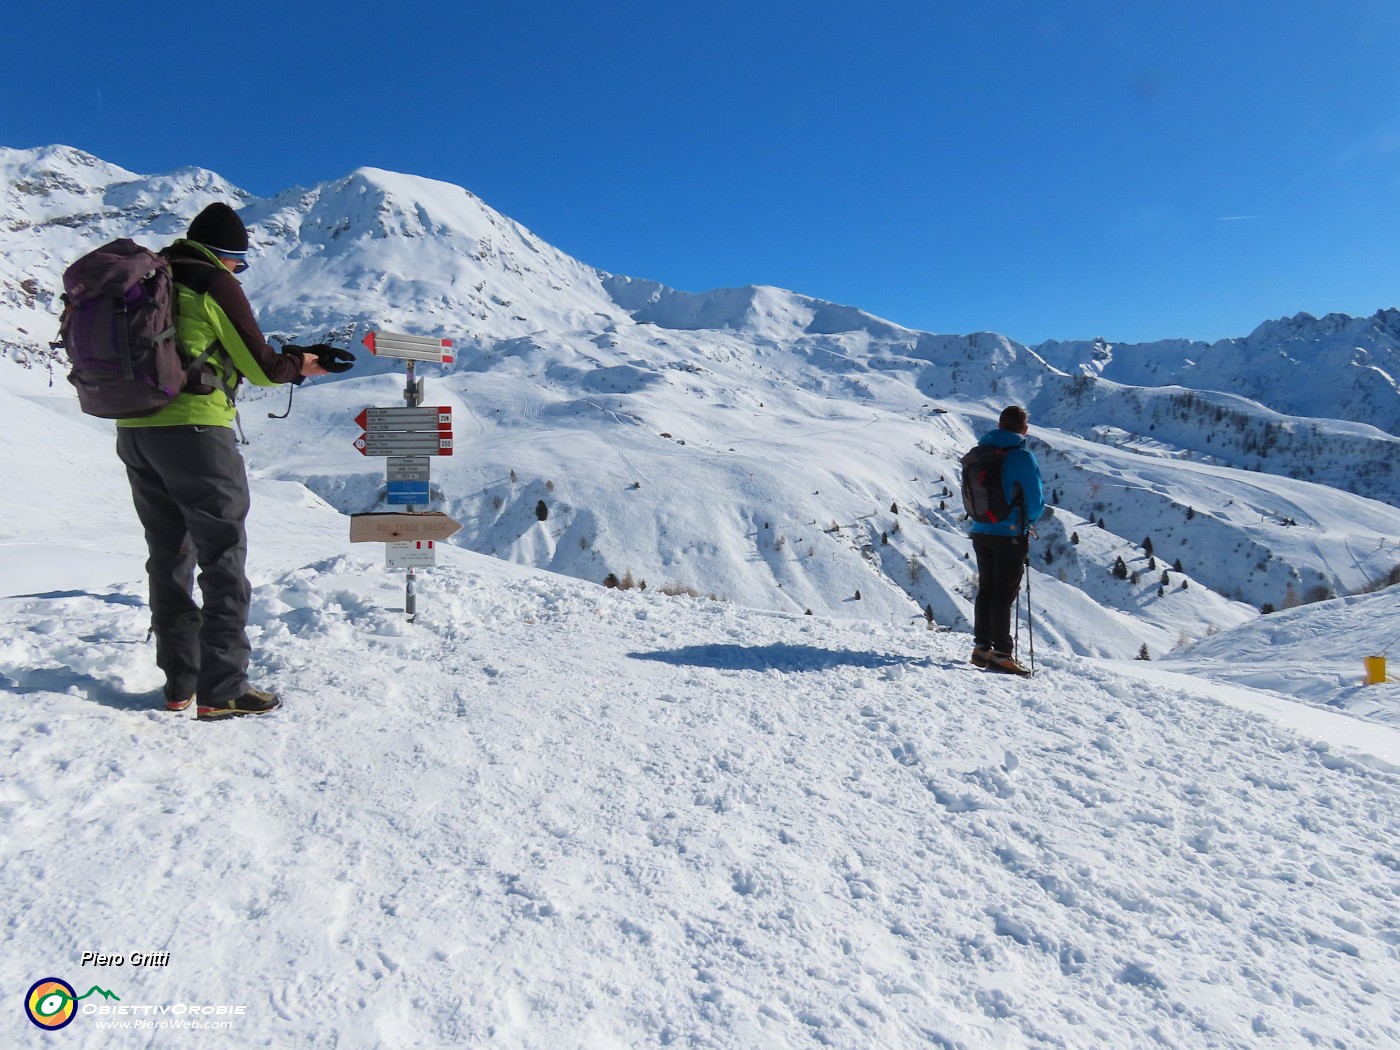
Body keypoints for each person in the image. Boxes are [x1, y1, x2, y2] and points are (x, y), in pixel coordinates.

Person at [115, 202, 335, 720]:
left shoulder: (152, 277)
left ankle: (179, 683)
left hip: (135, 429)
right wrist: (301, 366)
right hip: (195, 430)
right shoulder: (212, 282)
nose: (239, 271)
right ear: (228, 256)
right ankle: (224, 688)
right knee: (222, 556)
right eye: (240, 263)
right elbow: (260, 368)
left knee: (168, 553)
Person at [969, 405, 1045, 676]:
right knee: (1003, 595)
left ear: (1000, 425)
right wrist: (1029, 522)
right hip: (1010, 534)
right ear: (1025, 429)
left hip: (980, 529)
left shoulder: (980, 453)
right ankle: (1002, 654)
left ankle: (981, 648)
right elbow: (1035, 501)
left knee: (987, 590)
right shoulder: (1022, 457)